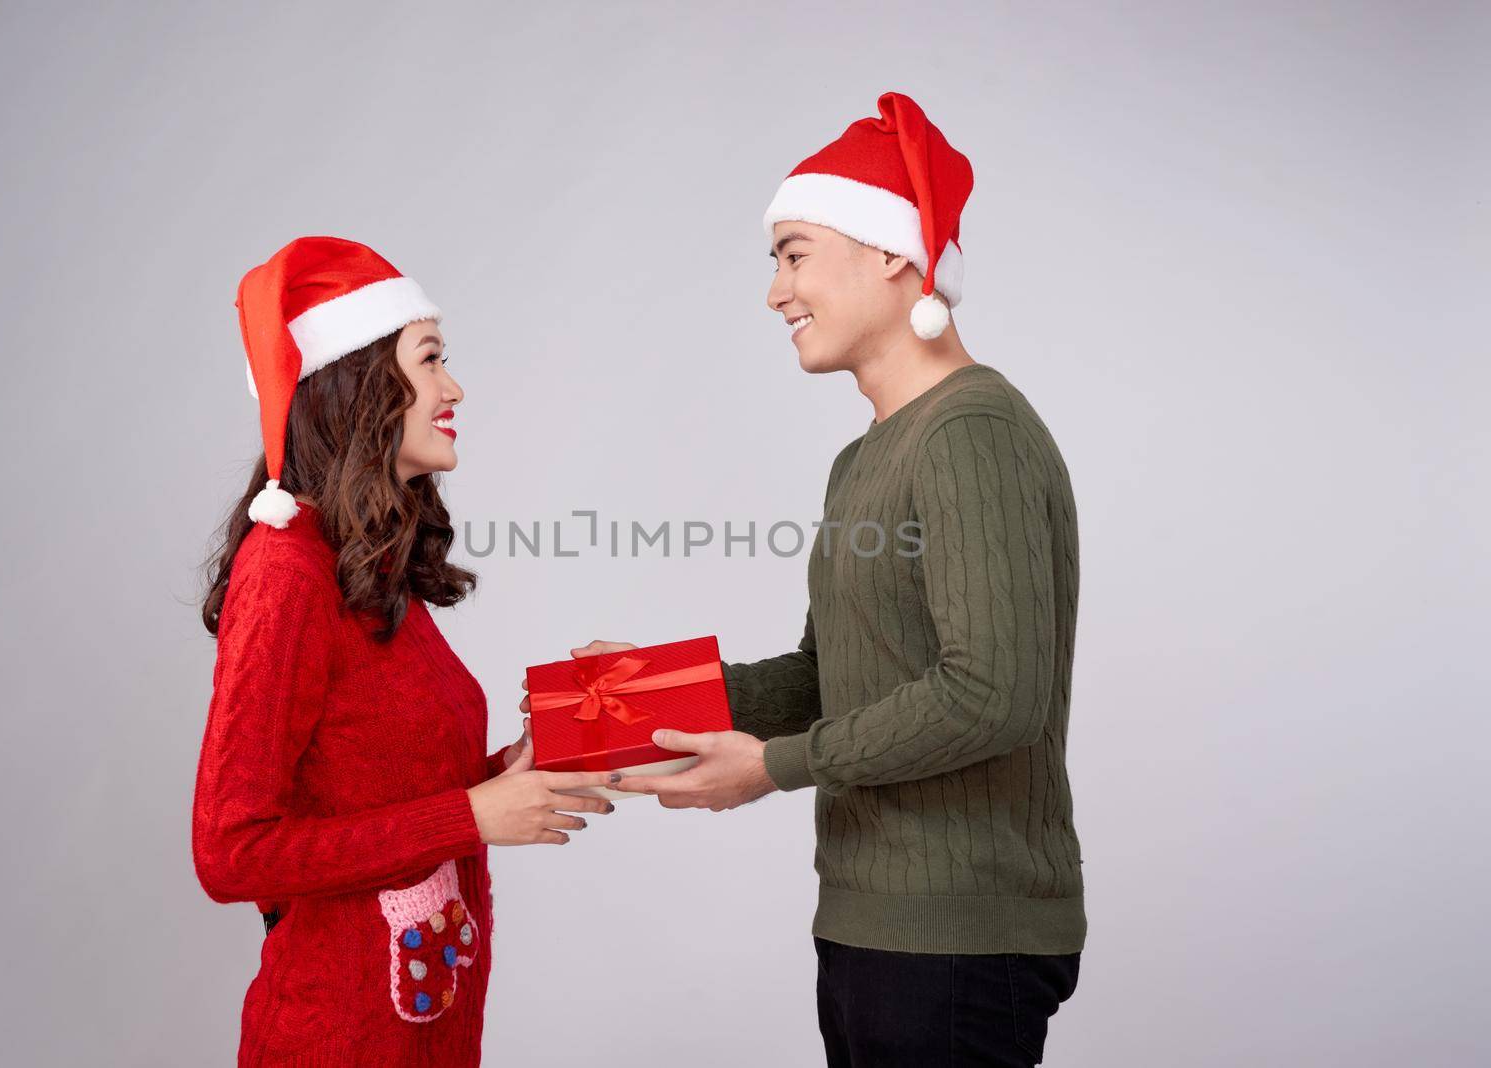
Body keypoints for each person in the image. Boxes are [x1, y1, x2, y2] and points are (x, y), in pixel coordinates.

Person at [548, 93, 1086, 1065]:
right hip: (870, 926)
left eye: (793, 254)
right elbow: (830, 672)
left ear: (890, 253)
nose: (774, 291)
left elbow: (991, 696)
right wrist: (660, 690)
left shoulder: (972, 432)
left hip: (957, 942)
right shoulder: (866, 457)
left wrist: (773, 769)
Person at [192, 236, 620, 1067]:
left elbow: (378, 785)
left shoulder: (368, 565)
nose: (453, 388)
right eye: (430, 361)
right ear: (359, 385)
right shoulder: (286, 571)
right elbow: (229, 850)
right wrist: (470, 816)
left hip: (424, 1030)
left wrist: (512, 770)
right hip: (336, 1038)